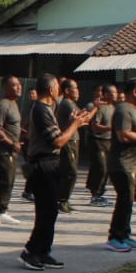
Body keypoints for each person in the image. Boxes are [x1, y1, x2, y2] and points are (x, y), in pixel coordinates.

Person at [20, 73, 91, 270]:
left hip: (50, 163)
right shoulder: (40, 109)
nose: (59, 91)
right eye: (58, 87)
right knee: (46, 211)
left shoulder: (46, 109)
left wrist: (72, 123)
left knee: (50, 211)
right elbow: (58, 141)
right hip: (43, 164)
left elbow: (58, 135)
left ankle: (43, 251)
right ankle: (31, 251)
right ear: (51, 90)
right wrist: (75, 125)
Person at [105, 79, 136, 251]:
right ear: (135, 91)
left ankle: (124, 235)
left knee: (128, 202)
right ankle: (115, 237)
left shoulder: (135, 110)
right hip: (122, 164)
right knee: (124, 201)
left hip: (131, 165)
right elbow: (123, 135)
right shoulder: (123, 110)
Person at [0, 75, 25, 226]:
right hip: (2, 150)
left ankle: (2, 211)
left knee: (10, 181)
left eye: (19, 84)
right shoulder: (3, 105)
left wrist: (24, 133)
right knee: (4, 181)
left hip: (11, 150)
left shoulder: (14, 104)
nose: (18, 87)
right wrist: (11, 143)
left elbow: (12, 125)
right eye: (14, 85)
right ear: (6, 88)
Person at [86, 84, 114, 207]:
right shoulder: (98, 107)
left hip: (109, 141)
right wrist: (110, 128)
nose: (115, 95)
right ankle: (95, 194)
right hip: (97, 141)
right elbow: (94, 126)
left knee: (106, 169)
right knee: (101, 167)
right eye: (113, 92)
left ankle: (100, 193)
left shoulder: (113, 107)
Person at [55, 79, 81, 212]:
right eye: (75, 88)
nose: (77, 91)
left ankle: (64, 199)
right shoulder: (66, 104)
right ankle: (61, 200)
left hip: (73, 140)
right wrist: (95, 107)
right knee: (71, 172)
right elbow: (82, 118)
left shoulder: (72, 103)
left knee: (69, 172)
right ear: (66, 90)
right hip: (68, 141)